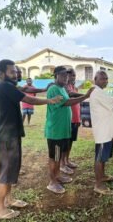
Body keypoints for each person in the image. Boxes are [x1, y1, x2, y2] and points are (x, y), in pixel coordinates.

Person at [0, 59, 62, 219]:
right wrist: (49, 100)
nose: (15, 74)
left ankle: (9, 200)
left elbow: (26, 90)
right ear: (1, 74)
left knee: (10, 171)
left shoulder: (6, 86)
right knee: (6, 173)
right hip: (7, 137)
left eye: (16, 71)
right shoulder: (4, 86)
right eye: (12, 71)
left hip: (10, 135)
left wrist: (44, 89)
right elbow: (29, 99)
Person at [45, 66, 94, 194]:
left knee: (59, 156)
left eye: (67, 76)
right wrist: (86, 96)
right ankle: (52, 182)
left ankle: (57, 176)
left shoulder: (62, 88)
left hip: (63, 130)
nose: (66, 78)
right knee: (54, 157)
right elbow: (67, 102)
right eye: (63, 76)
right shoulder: (54, 89)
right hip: (55, 132)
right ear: (56, 76)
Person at [60, 68, 83, 174]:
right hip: (68, 119)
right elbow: (70, 94)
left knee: (71, 142)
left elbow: (78, 104)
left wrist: (79, 118)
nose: (72, 77)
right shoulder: (65, 87)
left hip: (75, 119)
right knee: (65, 142)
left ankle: (67, 160)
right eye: (70, 75)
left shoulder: (75, 87)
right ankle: (62, 164)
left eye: (74, 75)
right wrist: (86, 95)